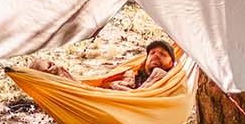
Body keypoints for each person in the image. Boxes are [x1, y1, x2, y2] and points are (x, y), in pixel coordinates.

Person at [30, 40, 176, 89]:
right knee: (40, 65)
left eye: (163, 54)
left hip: (120, 104)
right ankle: (47, 74)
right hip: (102, 98)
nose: (156, 55)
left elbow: (142, 97)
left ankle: (52, 74)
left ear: (171, 64)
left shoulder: (164, 76)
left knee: (57, 72)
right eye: (153, 53)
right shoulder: (132, 72)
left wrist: (115, 87)